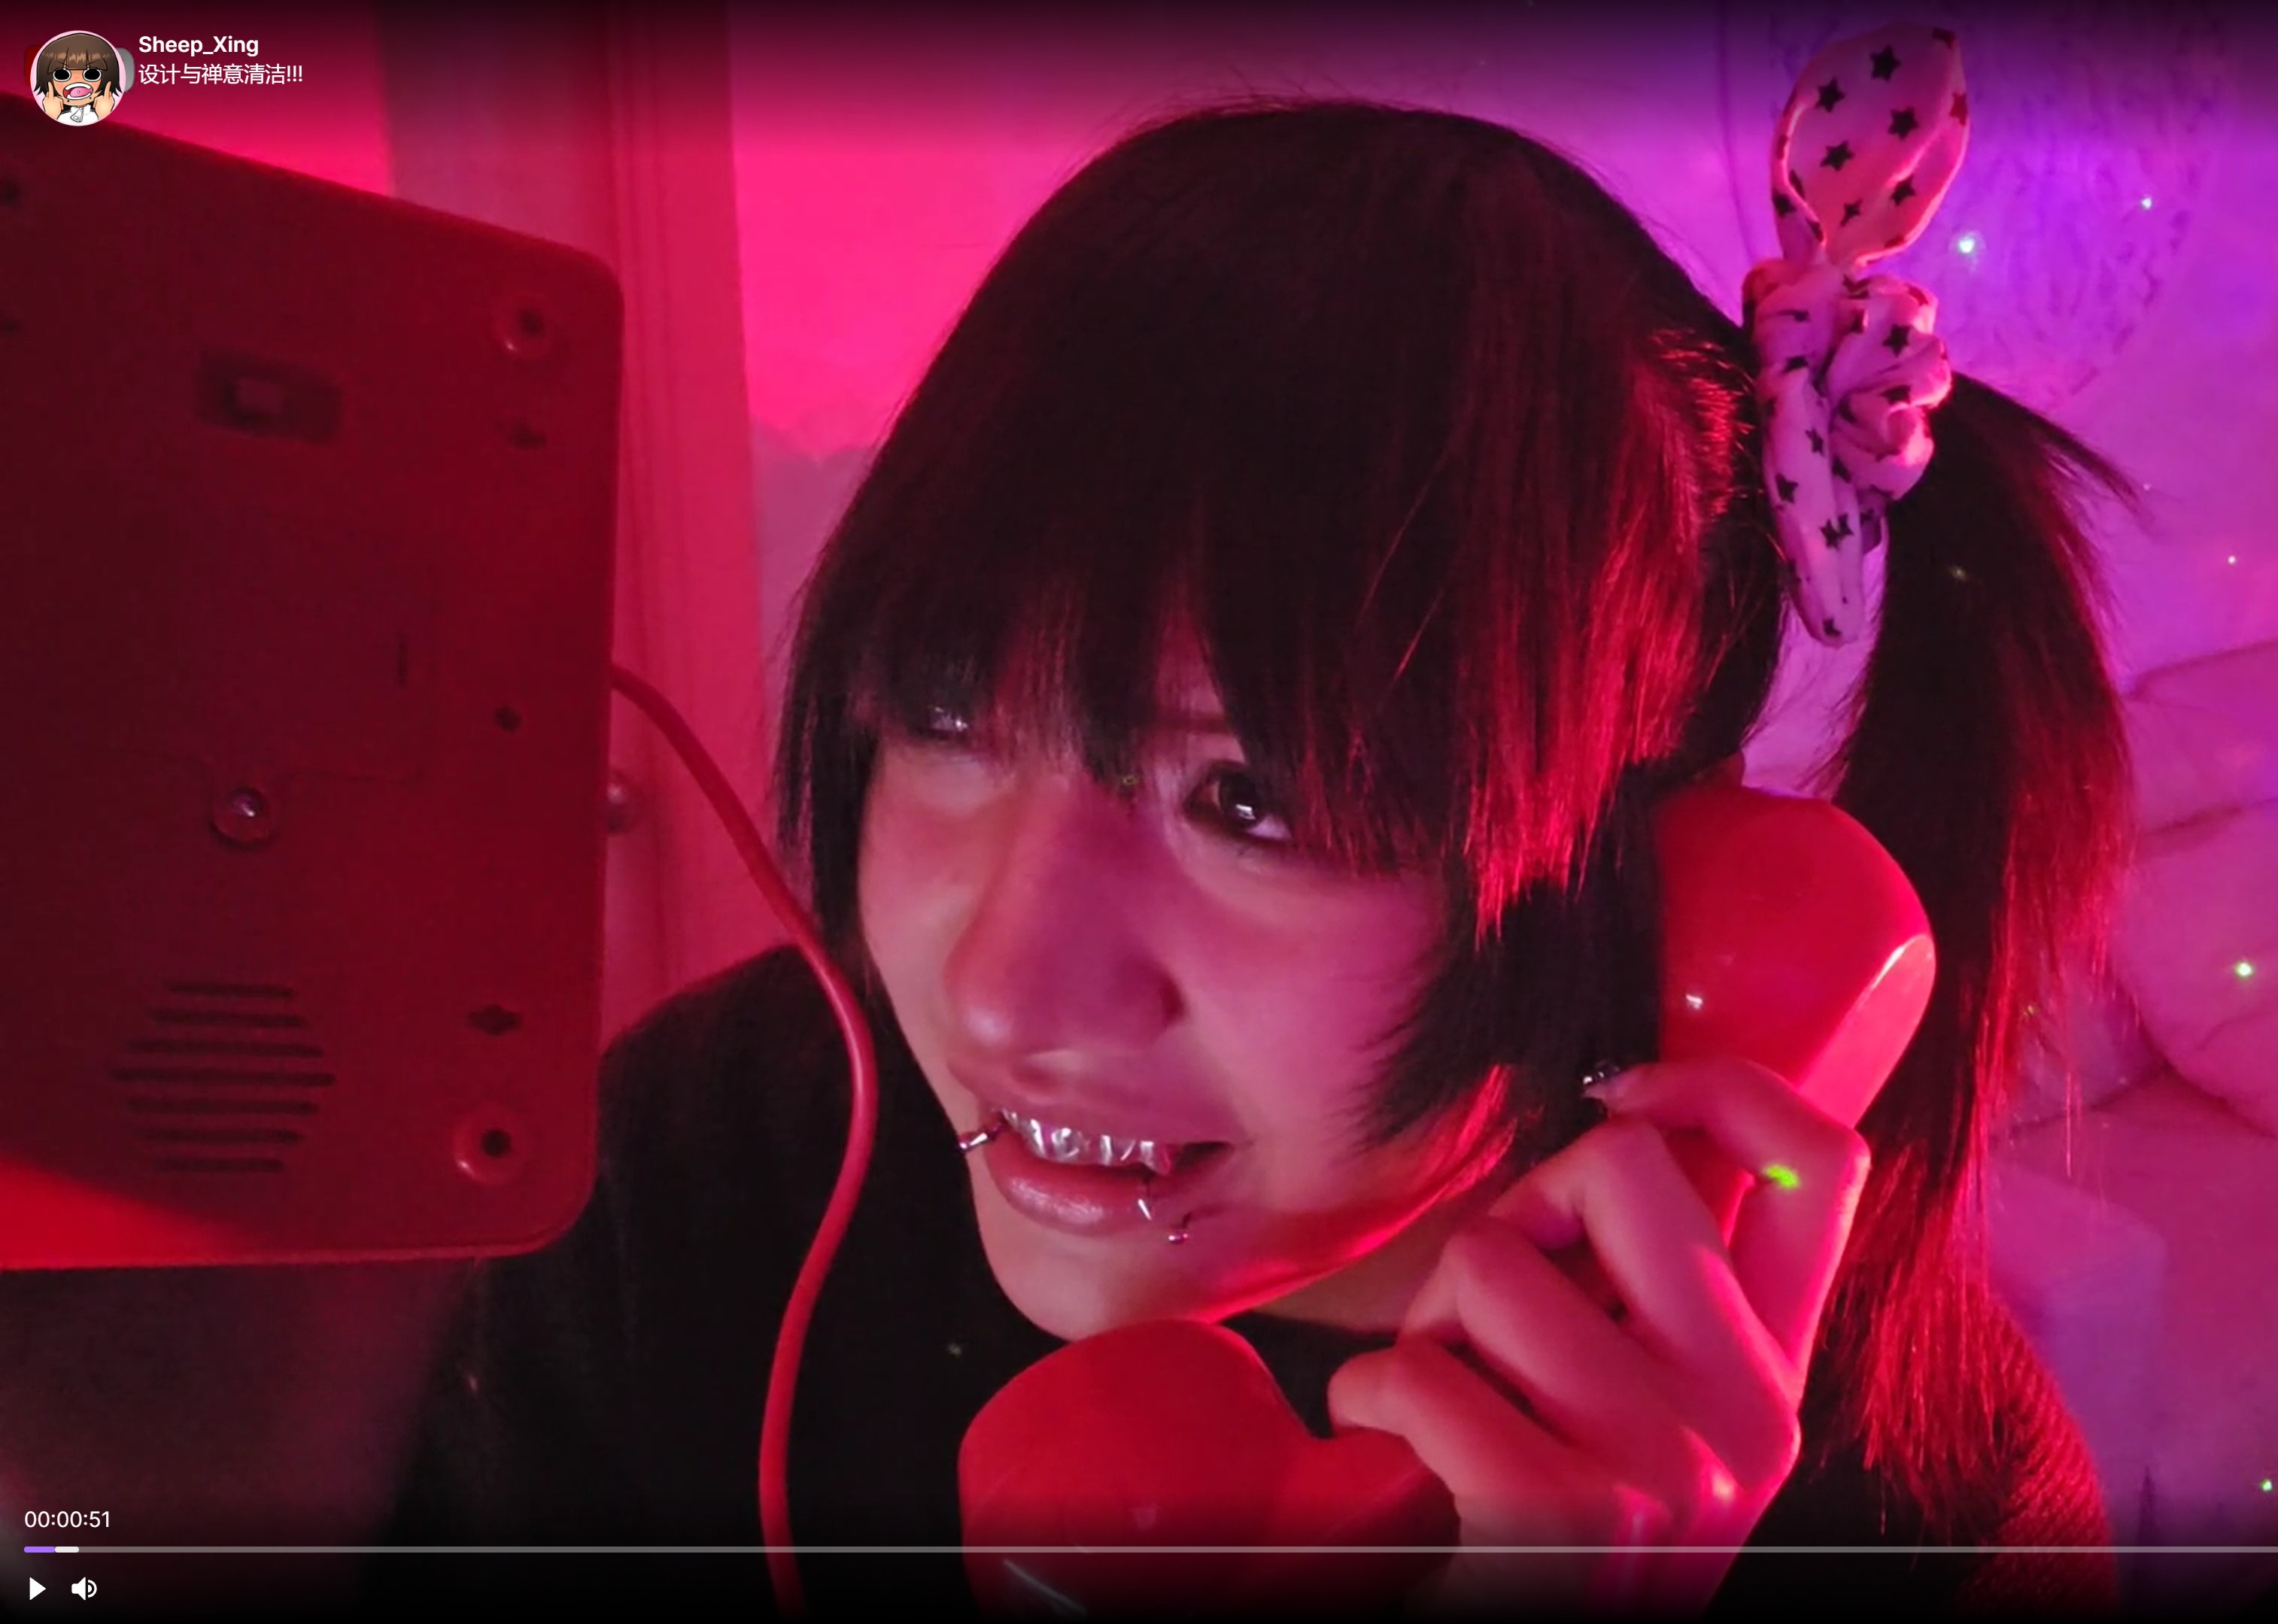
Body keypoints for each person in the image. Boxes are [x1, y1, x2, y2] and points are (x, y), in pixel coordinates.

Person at [384, 25, 2131, 1617]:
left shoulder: (1915, 1506)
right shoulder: (706, 1178)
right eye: (944, 717)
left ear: (1649, 885)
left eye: (1250, 800)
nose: (1000, 997)